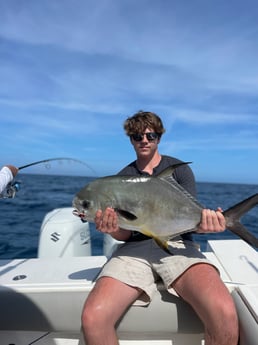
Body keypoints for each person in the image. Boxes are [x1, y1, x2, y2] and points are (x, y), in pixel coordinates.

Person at [81, 111, 239, 345]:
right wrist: (111, 229)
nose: (144, 140)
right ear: (130, 139)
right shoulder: (123, 177)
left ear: (159, 137)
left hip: (177, 244)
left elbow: (188, 223)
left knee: (224, 311)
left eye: (150, 135)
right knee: (93, 318)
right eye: (137, 136)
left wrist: (207, 225)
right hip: (134, 250)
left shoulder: (179, 169)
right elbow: (126, 233)